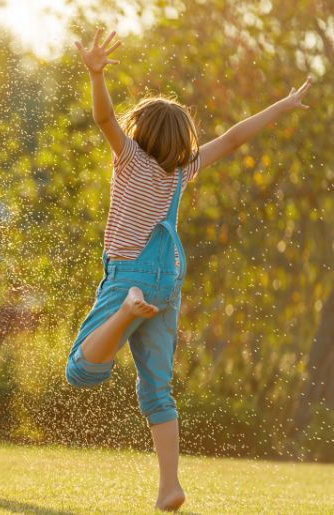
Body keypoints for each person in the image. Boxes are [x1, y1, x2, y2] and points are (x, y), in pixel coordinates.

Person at [65, 28, 312, 511]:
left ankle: (126, 313)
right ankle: (169, 486)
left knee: (81, 371)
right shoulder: (183, 170)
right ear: (182, 141)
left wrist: (96, 74)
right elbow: (236, 136)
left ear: (140, 132)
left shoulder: (130, 159)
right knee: (156, 389)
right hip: (170, 274)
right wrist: (281, 107)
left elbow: (102, 116)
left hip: (132, 271)